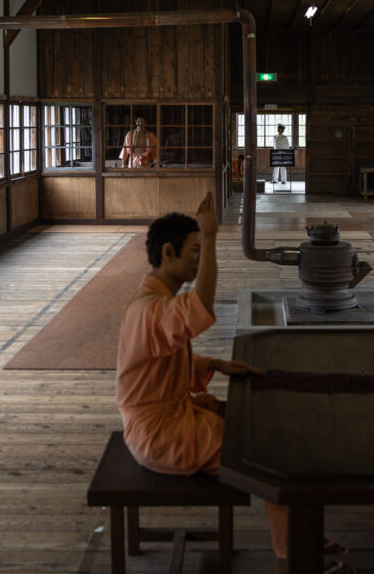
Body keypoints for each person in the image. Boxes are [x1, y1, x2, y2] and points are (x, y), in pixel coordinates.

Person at [116, 193, 309, 570]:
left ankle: (300, 537)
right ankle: (293, 557)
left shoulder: (151, 301)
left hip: (167, 418)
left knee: (260, 424)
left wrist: (217, 364)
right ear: (168, 253)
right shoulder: (149, 308)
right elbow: (200, 308)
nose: (199, 259)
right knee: (268, 457)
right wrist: (211, 236)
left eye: (201, 251)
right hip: (158, 433)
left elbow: (155, 365)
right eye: (194, 252)